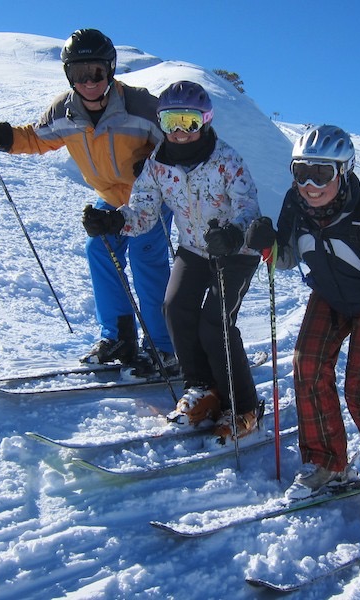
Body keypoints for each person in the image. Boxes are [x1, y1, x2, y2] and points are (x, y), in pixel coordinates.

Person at [246, 125, 360, 523]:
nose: (310, 185)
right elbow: (288, 256)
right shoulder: (296, 205)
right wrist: (268, 244)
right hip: (330, 295)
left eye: (322, 173)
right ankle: (327, 464)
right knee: (307, 365)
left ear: (343, 172)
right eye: (301, 172)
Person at [0, 28, 174, 368]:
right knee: (100, 249)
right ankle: (119, 339)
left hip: (151, 199)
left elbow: (177, 142)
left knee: (143, 257)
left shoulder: (140, 105)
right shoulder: (65, 111)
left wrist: (150, 163)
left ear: (111, 70)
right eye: (79, 73)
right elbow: (36, 138)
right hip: (111, 197)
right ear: (68, 75)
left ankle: (165, 347)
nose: (89, 82)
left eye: (96, 72)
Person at [83, 81, 263, 443]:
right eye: (170, 122)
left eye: (188, 121)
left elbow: (250, 211)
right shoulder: (156, 164)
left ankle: (244, 407)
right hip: (194, 250)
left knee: (215, 324)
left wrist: (233, 234)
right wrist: (115, 221)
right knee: (175, 308)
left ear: (205, 121)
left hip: (235, 253)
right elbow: (145, 216)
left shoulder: (227, 160)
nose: (179, 132)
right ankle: (202, 390)